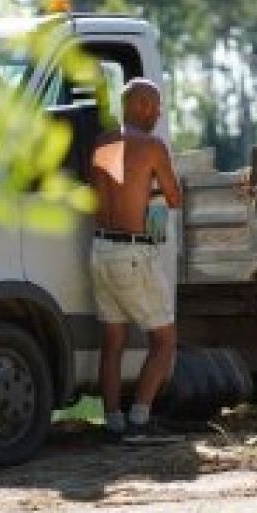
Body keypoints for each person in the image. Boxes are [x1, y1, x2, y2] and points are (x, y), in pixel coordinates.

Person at [88, 78, 183, 444]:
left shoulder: (104, 143)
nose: (159, 114)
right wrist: (157, 190)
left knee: (112, 340)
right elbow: (173, 199)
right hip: (132, 252)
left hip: (100, 249)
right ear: (141, 104)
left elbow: (107, 191)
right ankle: (140, 420)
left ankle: (113, 423)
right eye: (156, 106)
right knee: (164, 340)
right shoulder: (152, 147)